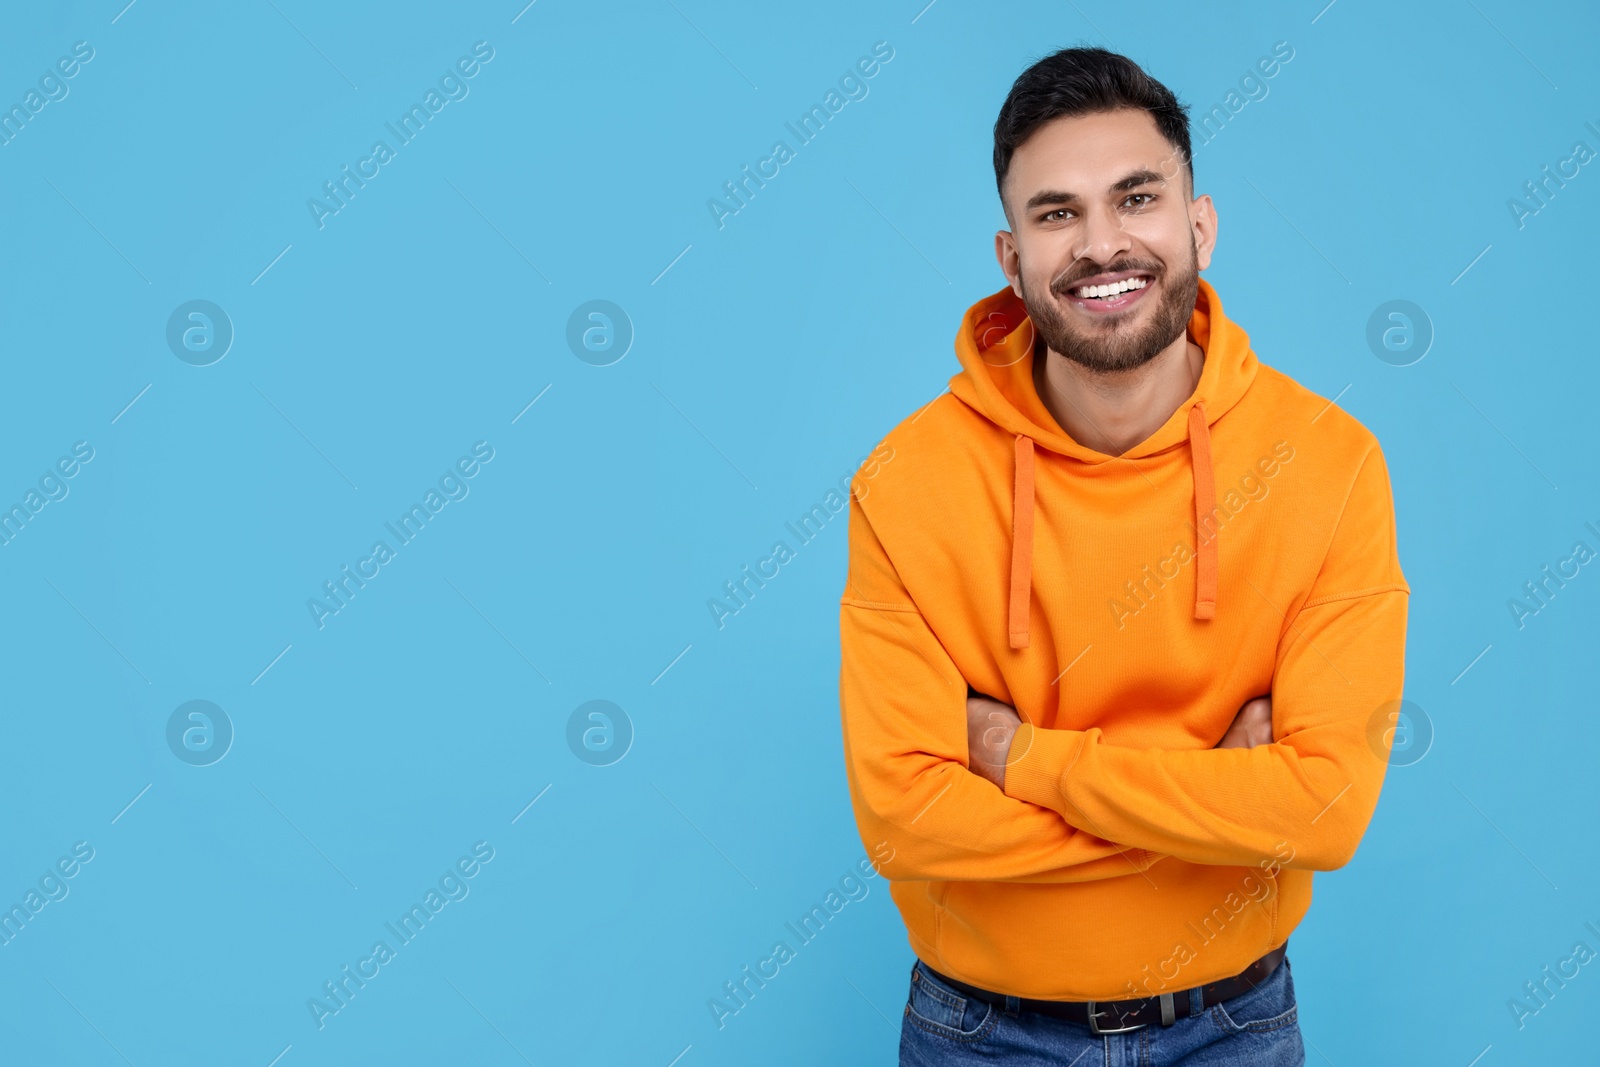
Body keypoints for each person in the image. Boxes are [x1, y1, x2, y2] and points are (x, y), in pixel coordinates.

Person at [837, 46, 1409, 1065]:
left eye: (1134, 198)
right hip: (977, 1032)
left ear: (1198, 225)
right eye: (1057, 213)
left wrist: (1021, 758)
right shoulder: (907, 480)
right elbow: (906, 819)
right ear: (1011, 258)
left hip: (1230, 1025)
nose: (1102, 245)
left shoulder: (1329, 465)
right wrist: (1216, 806)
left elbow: (1321, 809)